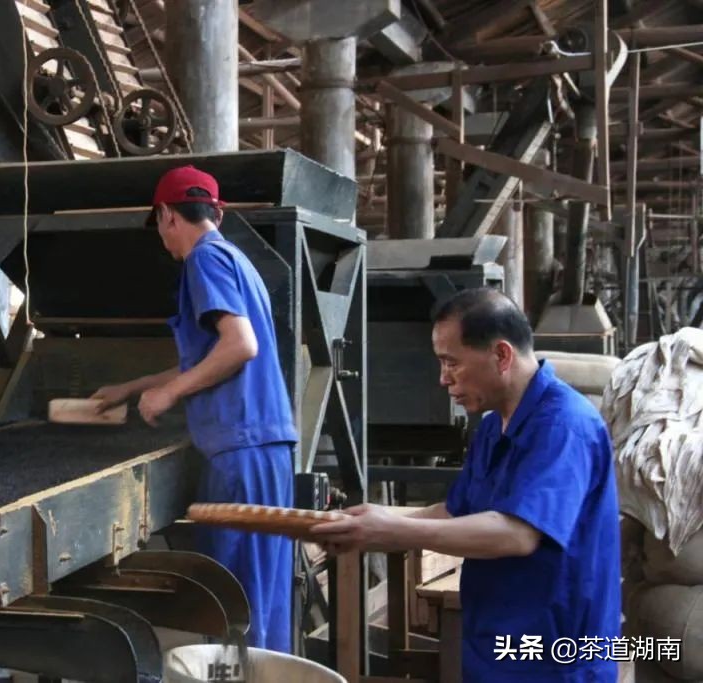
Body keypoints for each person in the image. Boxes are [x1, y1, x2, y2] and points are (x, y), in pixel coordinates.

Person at [311, 287, 621, 682]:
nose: (443, 379)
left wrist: (392, 527)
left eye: (451, 363)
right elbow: (457, 511)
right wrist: (372, 525)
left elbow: (517, 534)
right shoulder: (495, 425)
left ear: (501, 355)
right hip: (496, 651)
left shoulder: (564, 426)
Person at [92, 165, 298, 653]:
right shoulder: (236, 260)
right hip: (262, 449)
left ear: (166, 215)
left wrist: (170, 395)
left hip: (240, 454)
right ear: (218, 213)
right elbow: (211, 355)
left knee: (231, 607)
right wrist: (134, 386)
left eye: (160, 224)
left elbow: (239, 346)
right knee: (261, 599)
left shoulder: (203, 261)